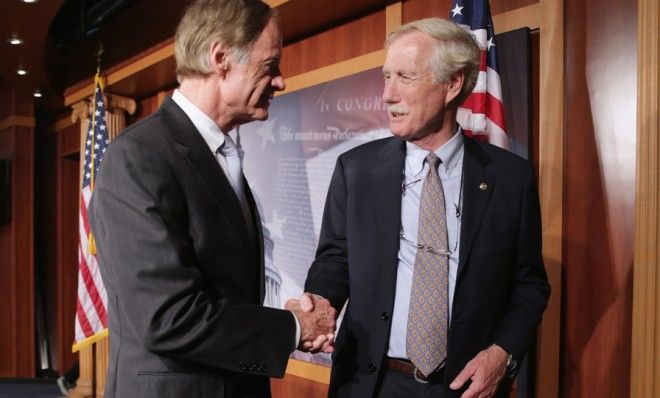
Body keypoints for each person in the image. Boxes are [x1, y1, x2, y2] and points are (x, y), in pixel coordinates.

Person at [89, 1, 335, 397]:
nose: (280, 82)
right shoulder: (138, 157)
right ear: (220, 58)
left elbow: (226, 292)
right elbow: (166, 316)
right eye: (270, 65)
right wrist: (293, 327)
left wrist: (292, 317)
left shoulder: (219, 154)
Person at [300, 18, 551, 398]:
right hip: (371, 383)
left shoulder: (511, 179)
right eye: (386, 76)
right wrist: (318, 305)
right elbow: (335, 261)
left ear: (452, 84)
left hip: (464, 386)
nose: (387, 94)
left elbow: (529, 284)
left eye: (405, 76)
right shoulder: (356, 170)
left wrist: (502, 354)